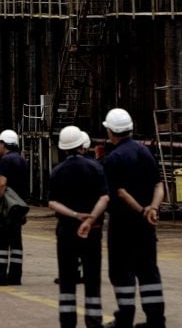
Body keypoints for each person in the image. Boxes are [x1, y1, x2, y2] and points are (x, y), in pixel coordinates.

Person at [102, 108, 166, 328]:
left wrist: (141, 210)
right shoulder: (145, 152)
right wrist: (153, 209)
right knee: (148, 272)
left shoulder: (114, 159)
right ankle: (156, 321)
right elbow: (159, 185)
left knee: (122, 273)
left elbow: (119, 192)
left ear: (111, 131)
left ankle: (125, 319)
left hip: (123, 225)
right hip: (147, 226)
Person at [49, 126, 109, 328]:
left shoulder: (57, 171)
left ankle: (67, 322)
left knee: (67, 280)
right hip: (91, 232)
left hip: (66, 231)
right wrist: (90, 219)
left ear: (63, 148)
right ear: (82, 146)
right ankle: (94, 321)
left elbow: (52, 203)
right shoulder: (95, 168)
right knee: (92, 278)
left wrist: (75, 215)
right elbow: (105, 197)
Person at [0, 129, 29, 286]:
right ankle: (15, 275)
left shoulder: (6, 160)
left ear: (4, 144)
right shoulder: (22, 160)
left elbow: (1, 184)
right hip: (19, 207)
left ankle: (0, 275)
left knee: (1, 241)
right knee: (16, 242)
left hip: (6, 208)